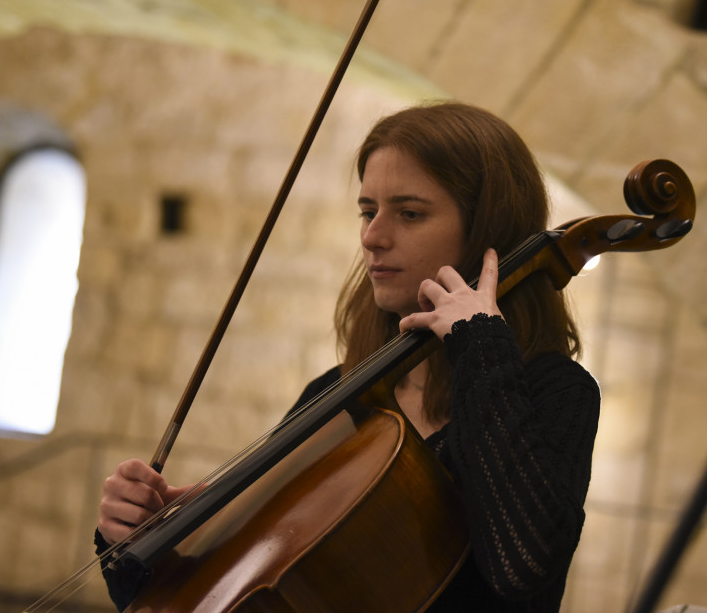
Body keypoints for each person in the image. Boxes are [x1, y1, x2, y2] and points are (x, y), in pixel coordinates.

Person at [94, 101, 601, 612]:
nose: (373, 236)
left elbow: (524, 567)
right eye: (367, 211)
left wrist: (482, 349)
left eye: (409, 213)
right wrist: (144, 541)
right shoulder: (335, 396)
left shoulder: (557, 393)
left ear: (487, 231)